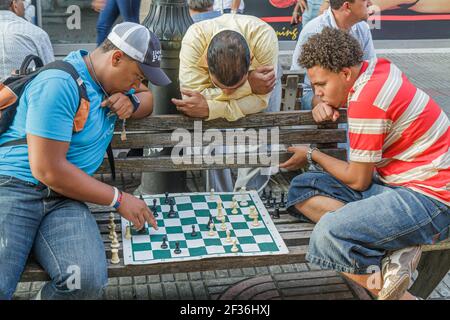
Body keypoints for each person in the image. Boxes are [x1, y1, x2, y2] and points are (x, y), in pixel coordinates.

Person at [0, 22, 171, 300]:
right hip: (14, 187)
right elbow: (47, 169)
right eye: (138, 76)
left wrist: (134, 103)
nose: (137, 85)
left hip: (64, 198)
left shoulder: (109, 83)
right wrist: (118, 199)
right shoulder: (59, 84)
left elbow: (147, 98)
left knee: (85, 280)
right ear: (116, 58)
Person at [281, 27, 450, 300]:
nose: (318, 93)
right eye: (314, 87)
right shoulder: (375, 69)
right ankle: (393, 247)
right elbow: (363, 176)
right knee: (302, 188)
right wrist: (326, 99)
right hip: (398, 183)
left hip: (432, 199)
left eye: (321, 85)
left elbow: (359, 180)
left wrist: (312, 154)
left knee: (329, 234)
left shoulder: (366, 100)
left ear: (345, 74)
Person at [173, 14, 279, 193]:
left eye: (236, 86)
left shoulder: (264, 37)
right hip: (251, 83)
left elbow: (261, 101)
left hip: (257, 81)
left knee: (261, 130)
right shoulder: (194, 41)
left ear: (251, 61)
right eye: (221, 87)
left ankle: (249, 197)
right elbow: (191, 100)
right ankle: (220, 198)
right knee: (209, 132)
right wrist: (248, 87)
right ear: (206, 63)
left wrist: (211, 106)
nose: (230, 93)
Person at [290, 0, 375, 111]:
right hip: (321, 119)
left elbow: (370, 73)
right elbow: (300, 89)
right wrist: (322, 104)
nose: (370, 3)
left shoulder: (362, 28)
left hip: (354, 107)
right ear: (347, 6)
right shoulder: (313, 32)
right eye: (364, 0)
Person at [0, 0, 54, 81]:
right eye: (23, 1)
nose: (25, 5)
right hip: (27, 92)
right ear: (14, 4)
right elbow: (51, 72)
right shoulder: (36, 33)